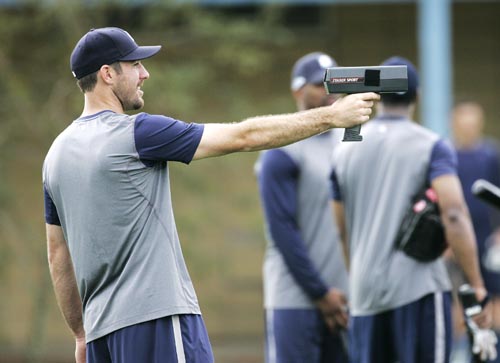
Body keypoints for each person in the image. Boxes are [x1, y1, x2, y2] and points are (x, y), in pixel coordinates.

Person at [42, 27, 378, 363]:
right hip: (157, 318)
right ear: (107, 74)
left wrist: (80, 333)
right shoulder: (138, 133)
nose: (145, 73)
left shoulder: (55, 156)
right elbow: (244, 136)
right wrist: (332, 117)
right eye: (134, 65)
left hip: (102, 334)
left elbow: (58, 253)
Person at [329, 56, 492, 362]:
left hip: (365, 296)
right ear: (417, 97)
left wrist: (358, 278)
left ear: (377, 95)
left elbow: (340, 227)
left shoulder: (343, 150)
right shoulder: (431, 145)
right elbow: (454, 214)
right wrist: (477, 285)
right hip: (419, 293)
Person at [255, 52, 349, 363]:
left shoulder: (350, 144)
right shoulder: (282, 150)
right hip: (296, 300)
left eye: (334, 83)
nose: (329, 91)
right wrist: (321, 293)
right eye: (319, 84)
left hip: (346, 299)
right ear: (298, 91)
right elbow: (283, 230)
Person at [449, 101, 500, 362]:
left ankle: (492, 351)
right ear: (454, 123)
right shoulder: (448, 154)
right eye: (463, 121)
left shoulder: (491, 154)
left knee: (492, 296)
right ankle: (460, 353)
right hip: (457, 241)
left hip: (486, 240)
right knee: (459, 300)